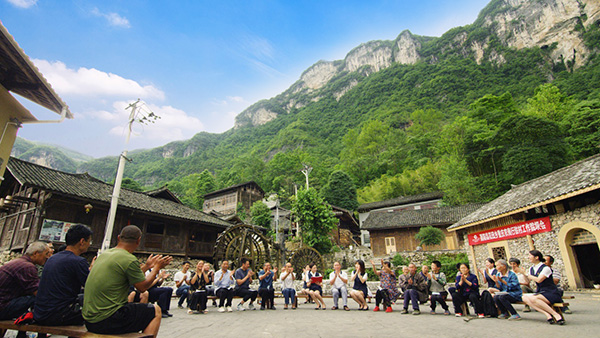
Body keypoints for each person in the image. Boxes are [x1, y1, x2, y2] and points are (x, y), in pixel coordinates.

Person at [83, 225, 172, 337]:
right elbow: (142, 287)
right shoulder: (129, 259)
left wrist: (147, 266)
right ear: (138, 240)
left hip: (89, 320)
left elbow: (130, 276)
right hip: (108, 319)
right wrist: (156, 268)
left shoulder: (105, 255)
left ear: (119, 237)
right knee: (155, 310)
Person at [34, 225, 93, 326]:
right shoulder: (78, 261)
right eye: (89, 241)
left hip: (40, 313)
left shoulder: (52, 258)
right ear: (82, 241)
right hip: (58, 315)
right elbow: (91, 287)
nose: (89, 245)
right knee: (94, 315)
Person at [0, 242, 49, 321]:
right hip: (3, 307)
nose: (47, 257)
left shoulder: (18, 262)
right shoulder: (27, 266)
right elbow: (37, 292)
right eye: (46, 254)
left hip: (4, 302)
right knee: (39, 298)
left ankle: (22, 332)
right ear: (36, 253)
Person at [522, 250, 565, 325]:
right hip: (540, 292)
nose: (528, 257)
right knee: (523, 297)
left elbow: (539, 280)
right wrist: (523, 274)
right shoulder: (531, 268)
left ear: (536, 257)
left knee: (534, 298)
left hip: (550, 292)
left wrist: (526, 274)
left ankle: (555, 314)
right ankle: (547, 314)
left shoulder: (546, 268)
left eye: (530, 255)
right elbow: (527, 281)